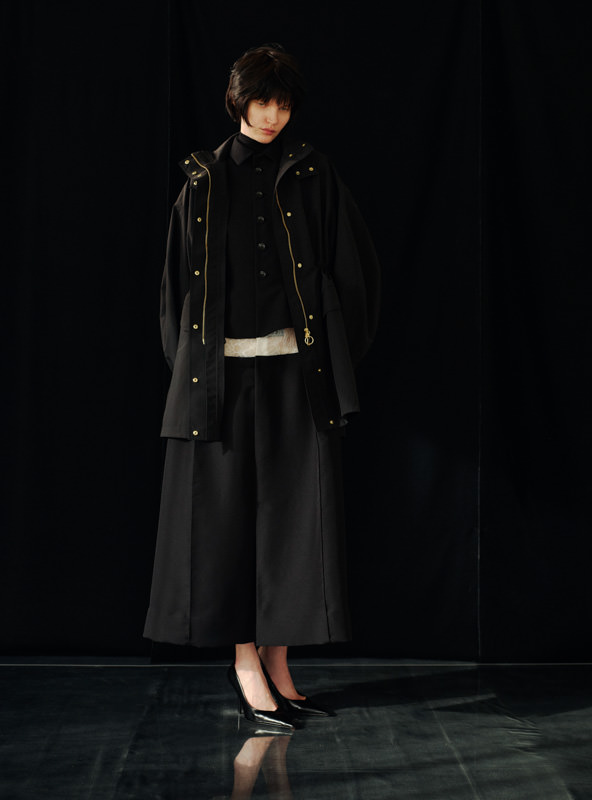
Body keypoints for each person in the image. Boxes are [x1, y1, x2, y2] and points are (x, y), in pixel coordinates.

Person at [143, 43, 380, 731]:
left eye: (282, 103)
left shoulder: (313, 175)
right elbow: (173, 295)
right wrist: (193, 373)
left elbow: (352, 273)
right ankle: (246, 665)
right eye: (261, 101)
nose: (272, 115)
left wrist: (334, 358)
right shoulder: (202, 182)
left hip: (295, 376)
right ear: (238, 101)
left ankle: (279, 667)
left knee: (293, 523)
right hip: (219, 382)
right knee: (226, 527)